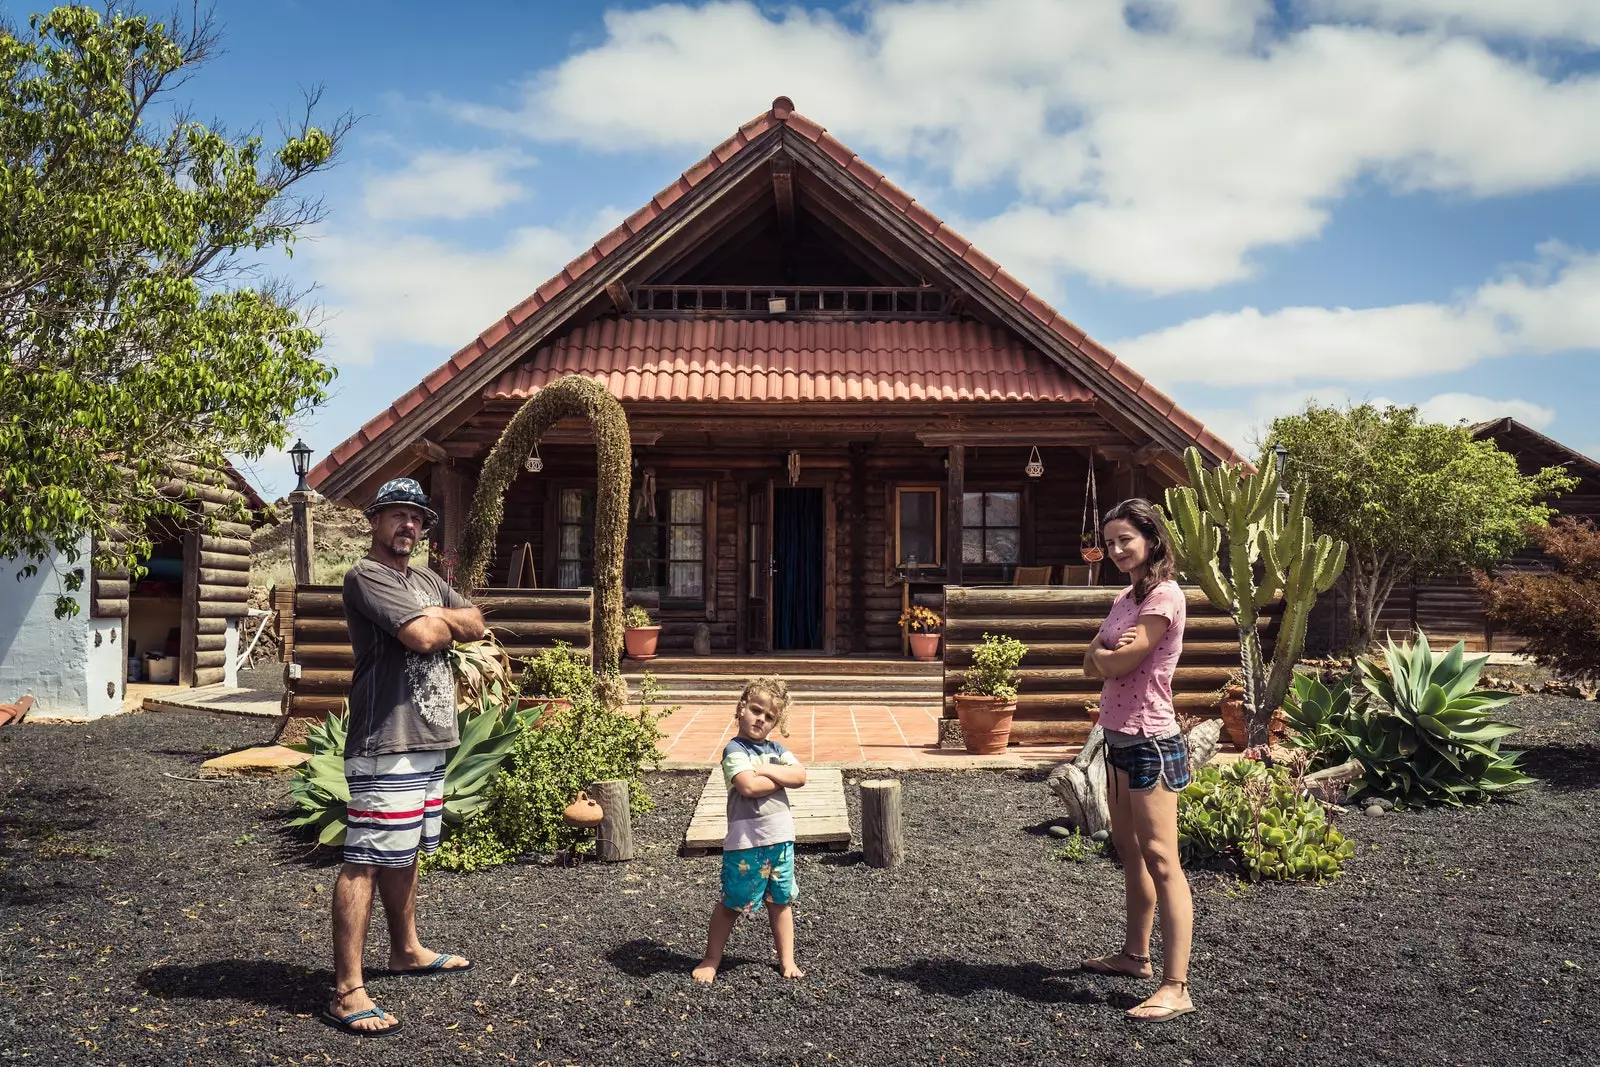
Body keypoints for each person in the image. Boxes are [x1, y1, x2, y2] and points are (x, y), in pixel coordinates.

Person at [323, 478, 487, 1037]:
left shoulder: (424, 578)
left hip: (429, 739)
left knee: (406, 850)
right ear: (375, 521)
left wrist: (440, 618)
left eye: (417, 518)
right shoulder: (366, 576)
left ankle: (406, 950)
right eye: (397, 515)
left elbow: (476, 621)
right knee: (365, 858)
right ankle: (348, 989)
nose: (408, 526)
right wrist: (440, 621)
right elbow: (420, 636)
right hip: (385, 740)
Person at [1079, 497, 1196, 1023]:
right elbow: (1092, 660)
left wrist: (1107, 655)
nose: (1117, 549)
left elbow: (1120, 658)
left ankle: (1177, 985)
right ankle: (1135, 957)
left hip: (1150, 740)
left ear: (1151, 539)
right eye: (1110, 543)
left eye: (1126, 539)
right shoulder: (1128, 596)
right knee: (1129, 851)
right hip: (1119, 737)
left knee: (1161, 858)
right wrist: (1106, 654)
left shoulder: (1165, 596)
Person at [691, 677, 808, 984]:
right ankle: (711, 958)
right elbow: (748, 786)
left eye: (770, 717)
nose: (761, 719)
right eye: (756, 710)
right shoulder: (734, 749)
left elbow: (801, 776)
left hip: (781, 839)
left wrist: (768, 769)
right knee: (732, 902)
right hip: (746, 843)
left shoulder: (777, 749)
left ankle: (787, 960)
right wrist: (780, 778)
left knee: (781, 902)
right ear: (741, 708)